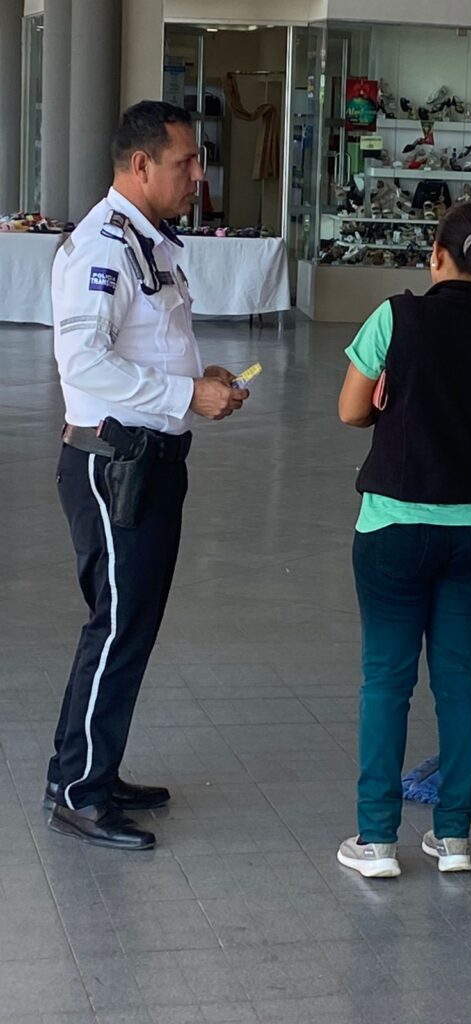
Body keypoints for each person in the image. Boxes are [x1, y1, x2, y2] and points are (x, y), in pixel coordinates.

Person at [45, 101, 250, 851]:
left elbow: (150, 340)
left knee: (127, 626)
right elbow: (85, 361)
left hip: (154, 460)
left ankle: (93, 768)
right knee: (116, 626)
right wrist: (184, 395)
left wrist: (202, 377)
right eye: (184, 162)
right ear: (139, 166)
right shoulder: (103, 243)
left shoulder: (150, 241)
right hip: (114, 463)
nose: (197, 175)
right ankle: (79, 791)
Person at [336, 203, 471, 877]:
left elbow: (351, 410)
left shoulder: (396, 318)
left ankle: (376, 842)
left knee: (385, 682)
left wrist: (398, 394)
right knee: (459, 682)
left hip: (392, 528)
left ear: (436, 256)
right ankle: (453, 836)